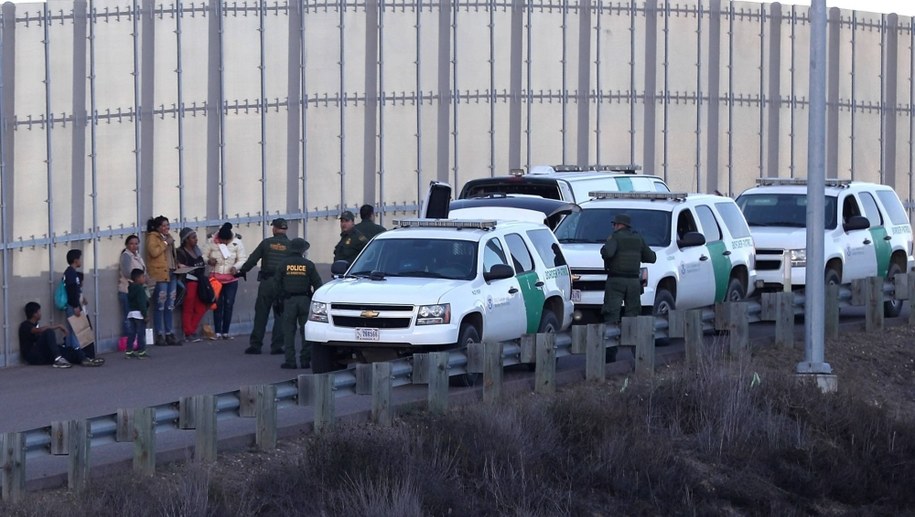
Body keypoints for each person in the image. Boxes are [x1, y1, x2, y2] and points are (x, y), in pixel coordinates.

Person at [237, 218, 289, 355]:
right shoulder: (291, 245)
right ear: (285, 229)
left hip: (267, 283)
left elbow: (253, 259)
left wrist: (242, 271)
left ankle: (256, 345)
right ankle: (277, 346)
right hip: (283, 284)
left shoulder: (266, 243)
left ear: (275, 229)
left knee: (261, 313)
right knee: (280, 315)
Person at [600, 213, 657, 325]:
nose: (613, 227)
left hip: (616, 281)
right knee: (633, 313)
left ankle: (613, 340)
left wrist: (604, 249)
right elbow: (651, 258)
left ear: (619, 225)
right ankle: (631, 339)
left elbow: (608, 253)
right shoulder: (638, 238)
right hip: (634, 282)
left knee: (611, 312)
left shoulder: (615, 237)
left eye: (614, 224)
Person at [275, 238, 323, 369]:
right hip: (305, 300)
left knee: (289, 332)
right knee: (305, 331)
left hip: (288, 301)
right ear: (303, 250)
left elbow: (276, 284)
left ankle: (290, 361)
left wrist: (278, 301)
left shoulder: (283, 264)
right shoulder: (308, 264)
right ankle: (305, 360)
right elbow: (318, 284)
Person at [19, 302, 102, 368]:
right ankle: (58, 359)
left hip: (43, 355)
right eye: (39, 311)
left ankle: (85, 359)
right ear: (34, 314)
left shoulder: (36, 324)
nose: (41, 313)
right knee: (49, 332)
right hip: (33, 356)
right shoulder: (25, 325)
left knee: (67, 350)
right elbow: (37, 331)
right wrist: (57, 326)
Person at [205, 222, 247, 340]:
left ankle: (225, 331)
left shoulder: (237, 243)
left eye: (226, 241)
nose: (223, 243)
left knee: (229, 303)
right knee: (217, 304)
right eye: (222, 241)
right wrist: (209, 260)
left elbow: (242, 259)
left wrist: (236, 267)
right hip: (216, 279)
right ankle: (218, 331)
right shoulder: (212, 241)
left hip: (231, 279)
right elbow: (204, 255)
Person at [146, 216, 180, 346]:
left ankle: (169, 333)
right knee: (160, 305)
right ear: (158, 227)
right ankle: (160, 334)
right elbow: (154, 252)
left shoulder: (168, 237)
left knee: (170, 305)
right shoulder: (153, 237)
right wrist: (166, 243)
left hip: (171, 272)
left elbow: (171, 255)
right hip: (160, 275)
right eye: (164, 226)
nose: (166, 228)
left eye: (168, 225)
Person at [62, 248, 102, 361]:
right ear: (75, 260)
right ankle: (78, 354)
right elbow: (71, 290)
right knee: (77, 330)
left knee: (74, 330)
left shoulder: (71, 272)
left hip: (73, 304)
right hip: (73, 306)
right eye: (79, 259)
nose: (81, 261)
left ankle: (74, 353)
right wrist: (76, 306)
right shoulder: (71, 273)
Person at [176, 228, 208, 342]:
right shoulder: (181, 252)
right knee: (188, 308)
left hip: (200, 281)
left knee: (201, 308)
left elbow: (202, 264)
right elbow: (179, 267)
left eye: (196, 237)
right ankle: (188, 332)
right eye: (193, 237)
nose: (196, 240)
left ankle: (191, 330)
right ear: (186, 239)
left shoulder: (197, 250)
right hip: (189, 282)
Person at [117, 234, 146, 351]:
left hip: (137, 290)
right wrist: (139, 278)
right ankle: (128, 344)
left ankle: (134, 343)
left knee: (136, 319)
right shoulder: (126, 256)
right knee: (129, 317)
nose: (134, 246)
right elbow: (127, 273)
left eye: (136, 243)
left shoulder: (137, 256)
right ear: (127, 245)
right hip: (127, 290)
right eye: (131, 244)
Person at [125, 269, 150, 359]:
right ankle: (141, 351)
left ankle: (129, 351)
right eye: (143, 277)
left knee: (131, 333)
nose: (144, 278)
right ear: (137, 278)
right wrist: (145, 315)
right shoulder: (140, 289)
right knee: (141, 333)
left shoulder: (130, 288)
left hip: (131, 313)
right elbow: (142, 303)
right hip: (139, 314)